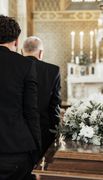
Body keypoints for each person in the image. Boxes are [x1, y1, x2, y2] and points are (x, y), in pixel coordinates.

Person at [0, 15, 41, 179]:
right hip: (15, 149)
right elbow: (31, 111)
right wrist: (37, 150)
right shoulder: (26, 65)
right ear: (16, 41)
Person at [22, 36, 61, 157]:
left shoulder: (15, 67)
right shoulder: (53, 70)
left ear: (22, 51)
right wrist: (56, 131)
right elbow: (54, 105)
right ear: (41, 52)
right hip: (43, 128)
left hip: (17, 129)